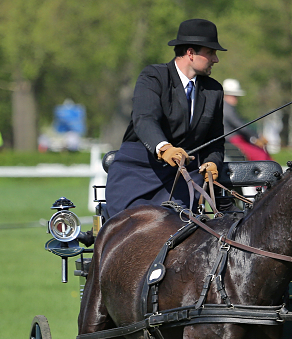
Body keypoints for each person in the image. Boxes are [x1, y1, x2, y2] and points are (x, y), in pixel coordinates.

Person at [104, 19, 228, 219]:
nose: (216, 59)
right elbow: (144, 119)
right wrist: (163, 147)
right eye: (211, 53)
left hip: (182, 179)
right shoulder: (153, 77)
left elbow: (216, 141)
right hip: (139, 172)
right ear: (190, 53)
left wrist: (213, 162)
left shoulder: (214, 91)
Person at [222, 78, 273, 161]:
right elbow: (240, 126)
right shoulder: (226, 108)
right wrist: (257, 136)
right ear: (226, 95)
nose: (236, 99)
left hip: (237, 140)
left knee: (262, 152)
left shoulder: (228, 107)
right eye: (233, 96)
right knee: (261, 156)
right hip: (232, 141)